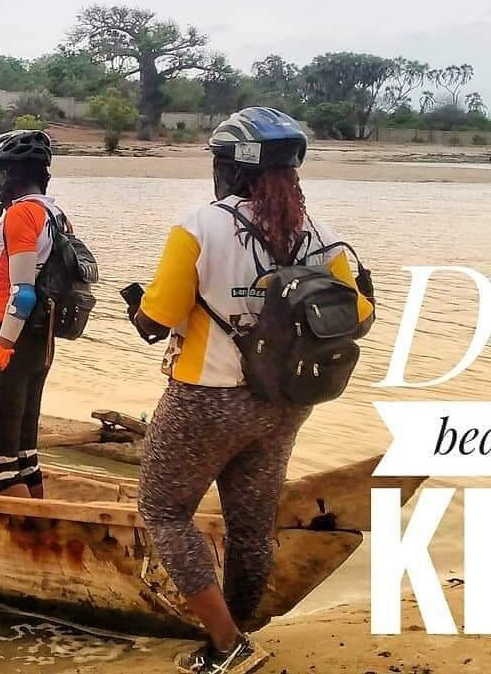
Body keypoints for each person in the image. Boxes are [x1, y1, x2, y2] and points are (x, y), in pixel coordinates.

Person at [127, 108, 375, 674]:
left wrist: (139, 309)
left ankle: (226, 642)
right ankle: (240, 631)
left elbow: (159, 315)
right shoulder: (319, 235)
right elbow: (356, 313)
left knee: (164, 513)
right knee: (251, 527)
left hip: (206, 398)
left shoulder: (200, 226)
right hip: (286, 402)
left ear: (228, 170)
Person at [0, 129, 65, 499]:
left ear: (9, 173)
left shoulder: (21, 214)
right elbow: (38, 267)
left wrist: (0, 349)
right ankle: (40, 529)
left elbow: (22, 295)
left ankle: (26, 541)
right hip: (41, 343)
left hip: (12, 339)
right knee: (25, 455)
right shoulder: (54, 213)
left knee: (0, 462)